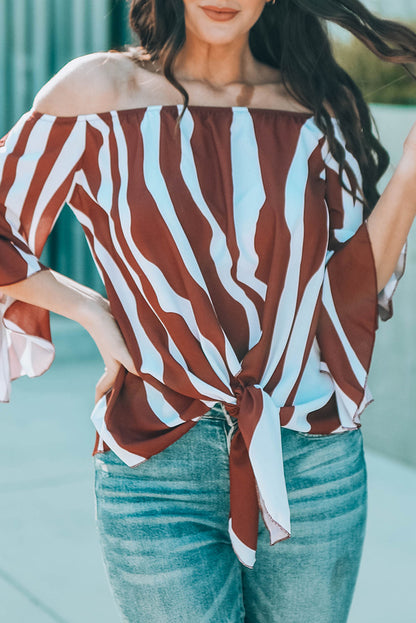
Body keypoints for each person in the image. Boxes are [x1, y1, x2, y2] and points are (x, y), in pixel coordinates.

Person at [0, 0, 415, 621]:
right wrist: (88, 308)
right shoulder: (100, 91)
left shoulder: (318, 109)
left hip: (311, 459)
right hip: (155, 464)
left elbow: (349, 291)